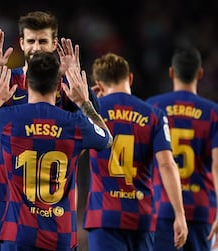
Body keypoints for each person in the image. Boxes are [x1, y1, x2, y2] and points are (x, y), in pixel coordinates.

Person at [0, 10, 100, 250]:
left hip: (54, 195)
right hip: (9, 193)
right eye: (31, 41)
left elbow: (93, 120)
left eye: (43, 41)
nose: (36, 47)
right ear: (22, 43)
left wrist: (76, 78)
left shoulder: (66, 84)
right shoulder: (7, 79)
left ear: (54, 44)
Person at [83, 52, 188, 250]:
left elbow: (72, 153)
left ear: (99, 83)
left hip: (103, 215)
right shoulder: (154, 114)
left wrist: (85, 103)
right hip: (141, 216)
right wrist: (179, 214)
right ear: (130, 77)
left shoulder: (92, 113)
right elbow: (166, 164)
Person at [146, 46, 218, 251]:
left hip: (161, 206)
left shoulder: (153, 106)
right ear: (200, 73)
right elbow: (217, 166)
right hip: (202, 210)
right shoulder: (213, 113)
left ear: (171, 72)